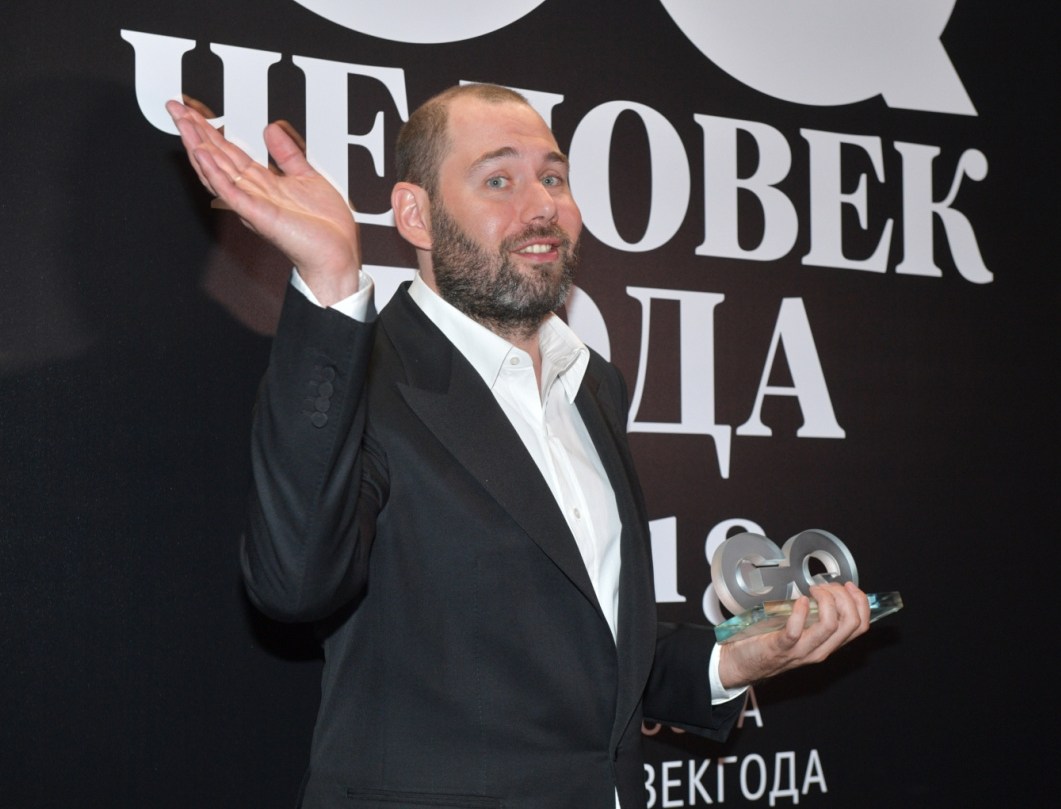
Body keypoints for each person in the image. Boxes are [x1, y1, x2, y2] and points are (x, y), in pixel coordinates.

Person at [166, 84, 870, 809]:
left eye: (554, 178)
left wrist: (739, 658)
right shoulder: (364, 375)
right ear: (415, 215)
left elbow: (585, 642)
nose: (542, 206)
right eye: (498, 180)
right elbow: (293, 584)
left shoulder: (593, 385)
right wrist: (330, 279)